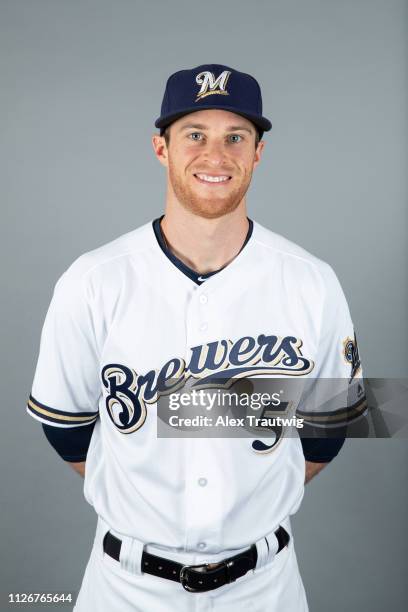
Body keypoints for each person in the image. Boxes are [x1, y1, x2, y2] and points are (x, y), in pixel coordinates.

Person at [27, 64, 366, 611]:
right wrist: (142, 497)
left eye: (236, 137)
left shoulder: (312, 280)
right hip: (124, 588)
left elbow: (329, 429)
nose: (216, 155)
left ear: (258, 153)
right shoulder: (93, 279)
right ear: (161, 148)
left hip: (265, 588)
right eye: (195, 135)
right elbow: (64, 428)